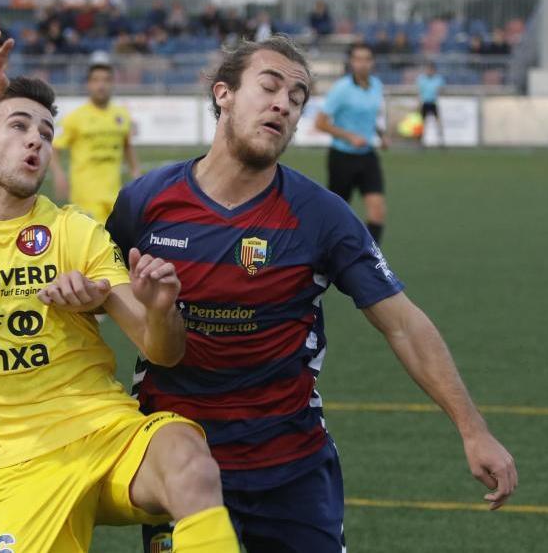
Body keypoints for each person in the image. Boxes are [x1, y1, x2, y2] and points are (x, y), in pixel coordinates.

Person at [106, 36, 518, 552]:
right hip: (181, 466)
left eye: (297, 97)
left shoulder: (320, 215)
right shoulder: (145, 202)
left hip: (291, 468)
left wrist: (472, 428)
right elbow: (94, 299)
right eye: (270, 86)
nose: (284, 103)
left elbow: (403, 324)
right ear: (224, 94)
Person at [0, 30, 240, 552]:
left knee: (190, 462)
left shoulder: (74, 232)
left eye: (45, 129)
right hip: (22, 463)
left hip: (108, 432)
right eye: (18, 126)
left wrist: (155, 308)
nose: (36, 139)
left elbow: (164, 351)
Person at [315, 42, 389, 245]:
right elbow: (320, 123)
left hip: (367, 156)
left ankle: (371, 259)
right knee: (335, 215)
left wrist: (381, 135)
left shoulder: (377, 86)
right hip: (342, 157)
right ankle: (323, 255)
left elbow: (372, 117)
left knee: (377, 211)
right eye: (357, 59)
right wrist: (349, 136)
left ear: (372, 62)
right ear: (351, 62)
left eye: (366, 59)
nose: (362, 64)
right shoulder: (341, 89)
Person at [53, 63, 139, 223]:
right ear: (88, 84)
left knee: (114, 243)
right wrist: (58, 174)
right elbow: (55, 147)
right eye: (96, 80)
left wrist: (135, 171)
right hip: (85, 195)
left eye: (106, 80)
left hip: (114, 194)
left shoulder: (122, 115)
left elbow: (127, 144)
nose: (101, 85)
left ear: (113, 83)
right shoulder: (75, 117)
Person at [416, 61, 446, 148]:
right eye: (428, 69)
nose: (429, 71)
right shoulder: (421, 79)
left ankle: (441, 142)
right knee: (422, 124)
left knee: (438, 123)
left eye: (431, 69)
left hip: (433, 103)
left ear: (434, 70)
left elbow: (442, 89)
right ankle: (421, 143)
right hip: (425, 103)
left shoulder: (438, 79)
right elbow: (419, 92)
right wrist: (418, 103)